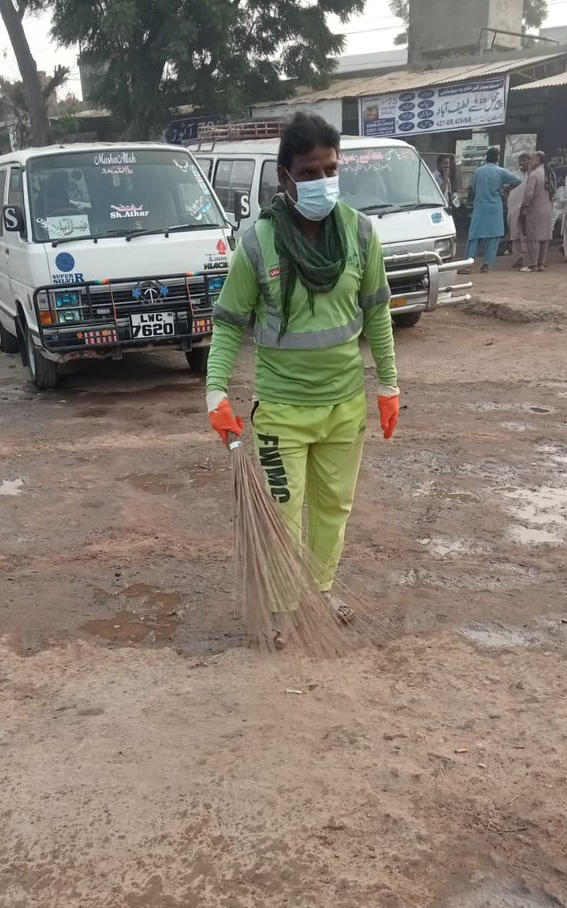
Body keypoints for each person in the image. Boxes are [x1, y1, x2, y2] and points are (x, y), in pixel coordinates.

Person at [205, 112, 399, 645]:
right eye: (309, 173)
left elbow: (378, 313)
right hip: (282, 412)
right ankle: (281, 609)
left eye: (330, 169)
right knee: (283, 512)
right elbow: (227, 323)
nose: (321, 181)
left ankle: (321, 589)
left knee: (334, 507)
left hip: (345, 406)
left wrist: (388, 384)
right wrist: (216, 391)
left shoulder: (361, 234)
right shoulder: (259, 244)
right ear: (284, 177)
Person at [461, 147, 521, 273]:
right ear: (497, 158)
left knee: (474, 236)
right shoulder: (501, 171)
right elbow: (517, 180)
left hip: (480, 206)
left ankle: (468, 264)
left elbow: (473, 188)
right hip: (495, 207)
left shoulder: (478, 172)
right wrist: (505, 189)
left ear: (486, 157)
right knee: (493, 237)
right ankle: (486, 265)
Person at [519, 151, 554, 272]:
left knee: (533, 238)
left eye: (532, 159)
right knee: (544, 238)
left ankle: (533, 264)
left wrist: (523, 206)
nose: (530, 162)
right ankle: (541, 264)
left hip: (535, 211)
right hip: (548, 210)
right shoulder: (550, 173)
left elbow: (528, 195)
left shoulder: (534, 175)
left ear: (538, 160)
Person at [507, 152, 531, 269]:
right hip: (515, 208)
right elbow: (505, 190)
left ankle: (534, 259)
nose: (523, 163)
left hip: (529, 209)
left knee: (531, 234)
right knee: (516, 235)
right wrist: (509, 203)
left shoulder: (533, 176)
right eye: (521, 160)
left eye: (525, 160)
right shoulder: (514, 176)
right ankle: (519, 259)